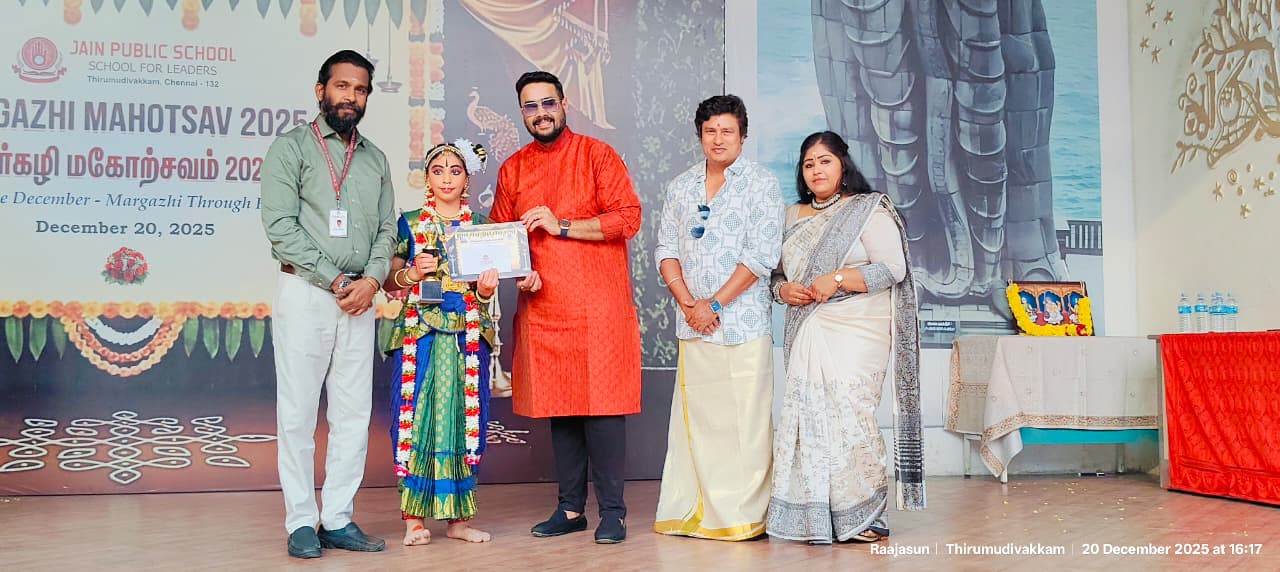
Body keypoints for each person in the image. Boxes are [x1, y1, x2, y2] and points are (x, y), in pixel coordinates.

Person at [489, 70, 642, 544]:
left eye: (547, 103)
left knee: (603, 408)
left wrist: (563, 225)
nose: (540, 113)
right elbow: (501, 237)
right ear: (522, 112)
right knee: (562, 408)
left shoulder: (597, 154)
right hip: (544, 306)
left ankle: (613, 512)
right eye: (530, 106)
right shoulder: (513, 169)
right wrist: (519, 272)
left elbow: (628, 218)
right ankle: (571, 509)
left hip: (598, 307)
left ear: (564, 105)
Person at [260, 49, 394, 559]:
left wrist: (373, 280)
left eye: (360, 89)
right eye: (342, 86)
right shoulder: (291, 148)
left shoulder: (375, 159)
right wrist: (337, 279)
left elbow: (387, 229)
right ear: (321, 91)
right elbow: (280, 227)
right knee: (297, 413)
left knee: (353, 414)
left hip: (359, 299)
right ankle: (300, 521)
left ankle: (337, 518)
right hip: (307, 294)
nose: (350, 97)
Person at [767, 131, 926, 545]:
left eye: (825, 161)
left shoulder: (867, 209)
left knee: (852, 413)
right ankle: (818, 516)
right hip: (809, 324)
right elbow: (775, 275)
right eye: (808, 164)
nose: (816, 170)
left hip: (857, 327)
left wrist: (836, 278)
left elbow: (892, 269)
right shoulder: (790, 216)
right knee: (810, 417)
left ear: (843, 164)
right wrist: (783, 291)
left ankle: (867, 514)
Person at [652, 94, 783, 541]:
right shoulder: (681, 186)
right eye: (710, 131)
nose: (718, 139)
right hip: (693, 324)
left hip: (743, 324)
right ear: (700, 136)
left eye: (728, 131)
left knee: (745, 422)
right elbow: (665, 249)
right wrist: (690, 303)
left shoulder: (761, 184)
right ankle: (694, 512)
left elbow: (761, 255)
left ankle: (741, 518)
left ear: (743, 136)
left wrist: (715, 305)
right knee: (701, 421)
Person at [383, 140, 509, 546]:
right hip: (420, 336)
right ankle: (413, 522)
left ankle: (459, 521)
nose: (447, 179)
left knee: (464, 420)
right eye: (438, 171)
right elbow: (389, 281)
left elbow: (485, 294)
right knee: (415, 418)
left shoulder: (482, 227)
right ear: (427, 178)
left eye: (455, 171)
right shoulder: (409, 223)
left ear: (467, 178)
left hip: (466, 336)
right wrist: (412, 275)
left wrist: (486, 291)